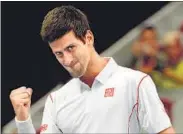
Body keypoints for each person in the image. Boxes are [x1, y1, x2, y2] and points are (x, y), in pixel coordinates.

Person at [9, 5, 175, 133]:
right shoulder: (56, 100)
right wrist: (23, 120)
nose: (67, 60)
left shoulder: (135, 82)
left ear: (88, 38)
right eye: (58, 54)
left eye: (70, 48)